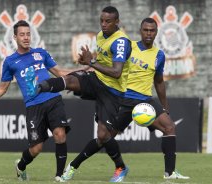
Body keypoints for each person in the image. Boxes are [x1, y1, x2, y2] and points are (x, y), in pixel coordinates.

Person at [35, 6, 132, 182]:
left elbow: (117, 72)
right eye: (101, 20)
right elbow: (100, 62)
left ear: (117, 22)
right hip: (97, 80)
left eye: (108, 21)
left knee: (103, 136)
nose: (103, 24)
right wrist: (86, 65)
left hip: (113, 92)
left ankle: (120, 167)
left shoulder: (121, 42)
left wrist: (92, 62)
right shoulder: (101, 36)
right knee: (72, 80)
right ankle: (42, 86)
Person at [0, 20, 72, 182]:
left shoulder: (41, 53)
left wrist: (85, 69)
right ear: (15, 37)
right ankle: (21, 166)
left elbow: (60, 72)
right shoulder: (10, 62)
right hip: (33, 106)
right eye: (22, 34)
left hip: (53, 99)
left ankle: (60, 176)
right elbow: (2, 89)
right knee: (36, 148)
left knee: (60, 134)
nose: (26, 37)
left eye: (28, 34)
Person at [116, 17, 190, 179]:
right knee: (104, 137)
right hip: (124, 99)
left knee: (169, 127)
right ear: (140, 31)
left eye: (152, 30)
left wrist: (165, 107)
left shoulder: (159, 55)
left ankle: (169, 173)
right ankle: (74, 166)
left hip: (145, 100)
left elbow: (159, 81)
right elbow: (114, 66)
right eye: (146, 30)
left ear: (156, 33)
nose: (149, 33)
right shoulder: (129, 47)